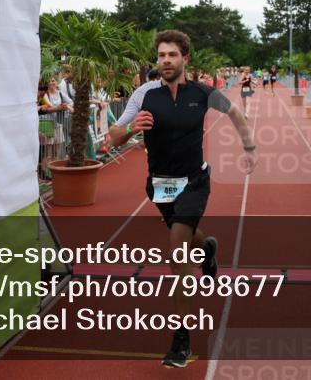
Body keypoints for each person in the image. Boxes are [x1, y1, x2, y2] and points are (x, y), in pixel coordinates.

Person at [108, 30, 255, 368]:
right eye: (161, 56)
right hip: (161, 184)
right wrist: (131, 129)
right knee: (184, 234)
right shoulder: (143, 94)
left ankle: (181, 338)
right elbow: (113, 138)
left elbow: (235, 113)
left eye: (172, 55)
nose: (166, 61)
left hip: (194, 181)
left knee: (177, 247)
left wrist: (249, 148)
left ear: (185, 58)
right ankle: (208, 249)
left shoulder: (202, 93)